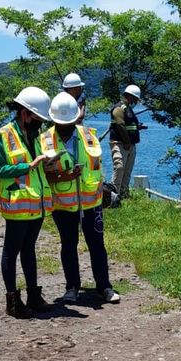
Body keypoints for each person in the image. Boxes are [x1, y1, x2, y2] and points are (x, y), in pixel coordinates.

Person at [40, 92, 120, 304]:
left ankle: (104, 286)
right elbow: (39, 175)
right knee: (68, 244)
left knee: (97, 245)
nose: (64, 126)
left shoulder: (89, 135)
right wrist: (61, 176)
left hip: (91, 202)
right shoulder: (44, 141)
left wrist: (102, 189)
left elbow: (97, 167)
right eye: (60, 122)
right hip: (63, 204)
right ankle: (72, 287)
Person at [0, 87, 54, 319]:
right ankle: (13, 301)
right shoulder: (5, 135)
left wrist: (46, 164)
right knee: (11, 251)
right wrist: (28, 166)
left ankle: (34, 296)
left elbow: (35, 165)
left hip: (35, 203)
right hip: (17, 204)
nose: (40, 124)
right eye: (38, 119)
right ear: (25, 113)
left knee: (29, 249)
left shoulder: (34, 136)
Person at [109, 84, 143, 198]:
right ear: (129, 96)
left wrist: (138, 126)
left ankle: (123, 194)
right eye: (135, 99)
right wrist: (127, 141)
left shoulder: (128, 109)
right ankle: (113, 194)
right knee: (119, 167)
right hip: (120, 143)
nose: (136, 102)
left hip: (130, 145)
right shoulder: (119, 108)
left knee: (127, 170)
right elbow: (120, 124)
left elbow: (128, 125)